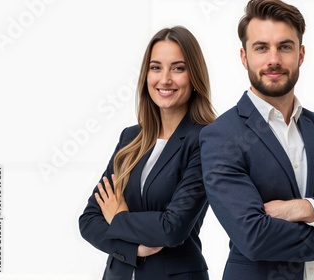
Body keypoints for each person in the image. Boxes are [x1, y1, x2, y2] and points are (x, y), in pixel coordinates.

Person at [199, 1, 314, 279]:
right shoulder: (221, 135)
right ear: (244, 57)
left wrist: (302, 208)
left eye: (284, 47)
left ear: (301, 54)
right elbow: (253, 236)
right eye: (261, 48)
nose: (273, 59)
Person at [79, 26, 215, 280]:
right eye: (156, 67)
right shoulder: (130, 138)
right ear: (146, 75)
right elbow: (89, 219)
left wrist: (118, 216)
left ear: (194, 75)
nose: (165, 79)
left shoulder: (205, 140)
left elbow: (171, 228)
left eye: (178, 68)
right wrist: (134, 249)